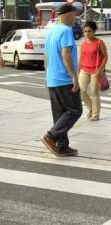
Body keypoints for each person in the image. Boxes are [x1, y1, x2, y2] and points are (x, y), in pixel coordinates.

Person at [41, 3, 82, 157]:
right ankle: (50, 136)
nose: (76, 18)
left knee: (60, 114)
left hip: (53, 79)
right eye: (74, 15)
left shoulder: (52, 32)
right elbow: (66, 55)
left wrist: (47, 75)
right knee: (75, 110)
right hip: (64, 80)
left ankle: (62, 146)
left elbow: (45, 56)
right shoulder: (66, 31)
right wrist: (74, 76)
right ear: (68, 15)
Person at [78, 21, 108, 121]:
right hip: (84, 69)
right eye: (85, 31)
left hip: (95, 70)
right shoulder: (83, 43)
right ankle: (91, 108)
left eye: (89, 31)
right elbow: (81, 57)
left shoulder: (99, 42)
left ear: (94, 31)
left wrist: (100, 70)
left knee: (94, 93)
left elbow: (105, 57)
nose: (87, 33)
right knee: (81, 91)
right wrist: (79, 70)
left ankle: (96, 114)